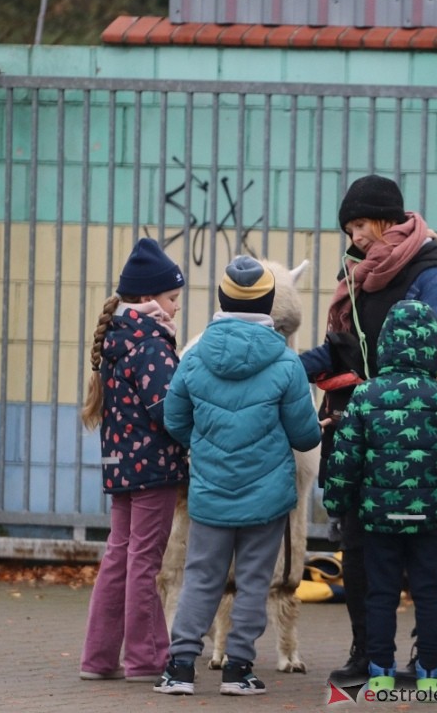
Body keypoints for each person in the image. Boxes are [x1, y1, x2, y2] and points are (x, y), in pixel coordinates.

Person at [299, 174, 437, 686]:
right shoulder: (359, 273)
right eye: (347, 229)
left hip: (407, 435)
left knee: (420, 564)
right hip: (353, 424)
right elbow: (339, 347)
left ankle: (431, 658)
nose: (354, 239)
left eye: (360, 225)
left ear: (388, 220)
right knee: (359, 549)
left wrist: (399, 404)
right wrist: (285, 368)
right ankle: (367, 652)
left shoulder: (431, 272)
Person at [154, 256, 322, 696]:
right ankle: (239, 669)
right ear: (270, 304)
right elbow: (304, 435)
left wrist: (203, 444)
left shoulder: (194, 357)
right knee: (253, 582)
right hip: (266, 500)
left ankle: (179, 667)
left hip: (210, 492)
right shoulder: (287, 366)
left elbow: (175, 418)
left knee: (201, 577)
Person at [322, 300, 437, 697]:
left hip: (379, 519)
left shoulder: (366, 395)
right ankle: (430, 671)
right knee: (429, 592)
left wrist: (336, 506)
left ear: (385, 345)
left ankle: (381, 672)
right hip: (429, 520)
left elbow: (345, 457)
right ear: (435, 347)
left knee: (381, 593)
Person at [78, 237, 189, 682]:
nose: (177, 307)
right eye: (172, 298)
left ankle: (98, 659)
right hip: (155, 470)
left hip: (122, 467)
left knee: (119, 558)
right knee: (145, 561)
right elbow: (168, 410)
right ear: (148, 299)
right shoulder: (151, 344)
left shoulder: (119, 338)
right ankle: (146, 658)